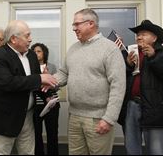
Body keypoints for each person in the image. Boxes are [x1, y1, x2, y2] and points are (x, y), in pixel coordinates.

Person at [53, 8, 126, 155]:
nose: (74, 28)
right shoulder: (73, 48)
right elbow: (64, 73)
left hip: (98, 118)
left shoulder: (110, 49)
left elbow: (118, 86)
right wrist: (48, 80)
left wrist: (109, 118)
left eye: (77, 24)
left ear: (91, 23)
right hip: (74, 116)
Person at [0, 20, 58, 155]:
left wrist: (46, 93)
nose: (30, 39)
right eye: (27, 36)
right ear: (14, 39)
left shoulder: (32, 55)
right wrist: (39, 78)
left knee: (28, 152)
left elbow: (32, 83)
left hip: (27, 116)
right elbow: (8, 82)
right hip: (2, 119)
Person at [117, 19, 163, 155]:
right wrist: (128, 64)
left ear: (154, 38)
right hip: (131, 105)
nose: (139, 36)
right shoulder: (130, 53)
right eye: (138, 34)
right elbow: (117, 78)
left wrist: (154, 57)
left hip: (156, 107)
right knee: (132, 146)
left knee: (155, 149)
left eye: (144, 34)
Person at [31, 43, 60, 155]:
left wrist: (50, 78)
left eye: (39, 51)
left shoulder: (51, 67)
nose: (36, 53)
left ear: (44, 53)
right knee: (36, 134)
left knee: (52, 133)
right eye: (34, 51)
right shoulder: (31, 67)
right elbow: (31, 85)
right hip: (36, 105)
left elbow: (57, 86)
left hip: (52, 104)